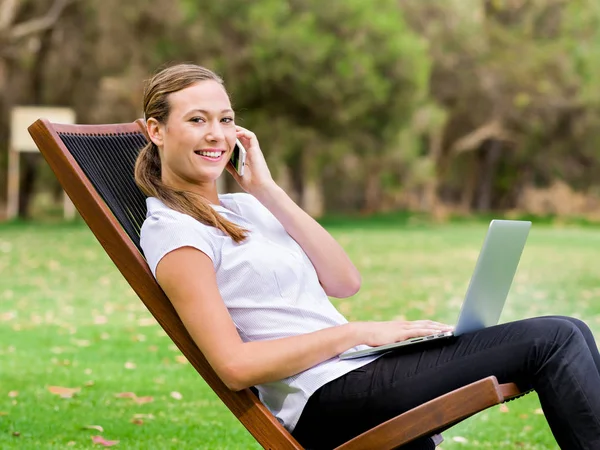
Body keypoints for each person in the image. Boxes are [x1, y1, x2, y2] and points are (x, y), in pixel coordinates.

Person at [134, 63, 600, 450]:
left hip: (357, 370)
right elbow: (234, 366)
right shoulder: (175, 233)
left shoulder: (244, 206)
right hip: (324, 399)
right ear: (156, 130)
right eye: (197, 120)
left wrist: (267, 190)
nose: (217, 135)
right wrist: (355, 333)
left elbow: (343, 281)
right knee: (555, 337)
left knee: (573, 330)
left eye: (226, 119)